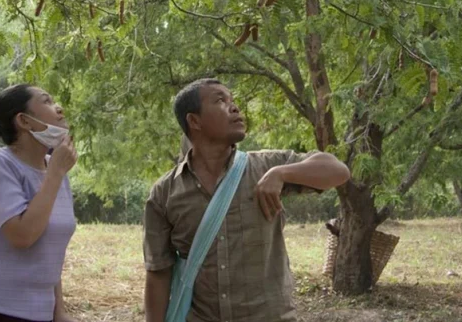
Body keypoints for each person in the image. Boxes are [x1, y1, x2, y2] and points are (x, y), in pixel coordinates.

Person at [143, 78, 351, 322]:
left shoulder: (266, 166)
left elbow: (337, 171)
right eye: (220, 100)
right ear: (194, 121)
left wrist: (281, 173)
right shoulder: (163, 194)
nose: (234, 107)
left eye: (233, 100)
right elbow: (158, 273)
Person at [0, 84, 79, 322]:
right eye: (48, 101)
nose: (59, 109)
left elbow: (49, 252)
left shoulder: (56, 170)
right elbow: (22, 236)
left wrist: (58, 311)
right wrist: (55, 174)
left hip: (41, 313)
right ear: (24, 121)